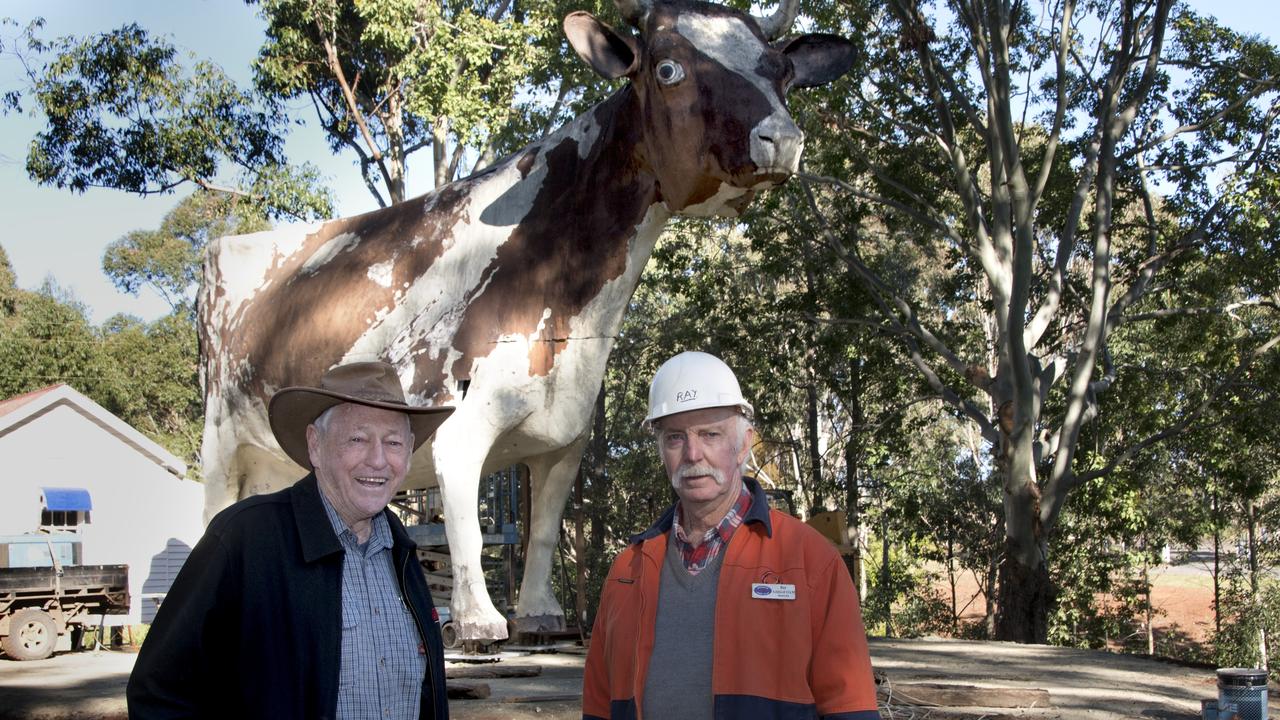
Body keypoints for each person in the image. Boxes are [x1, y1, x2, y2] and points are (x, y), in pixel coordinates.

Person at [127, 361, 453, 720]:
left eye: (392, 442)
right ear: (316, 445)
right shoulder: (245, 539)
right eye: (357, 439)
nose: (378, 460)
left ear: (407, 453)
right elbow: (158, 692)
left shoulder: (401, 553)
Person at [581, 351, 881, 720]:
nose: (693, 453)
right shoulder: (628, 570)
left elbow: (850, 707)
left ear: (743, 444)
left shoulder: (810, 561)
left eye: (710, 434)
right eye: (675, 437)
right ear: (660, 448)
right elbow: (598, 705)